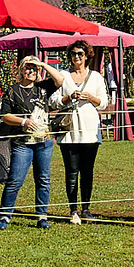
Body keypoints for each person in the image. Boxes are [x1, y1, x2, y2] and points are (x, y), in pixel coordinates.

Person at [0, 57, 61, 229]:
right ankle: (5, 216)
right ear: (21, 70)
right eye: (28, 68)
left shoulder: (43, 87)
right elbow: (4, 116)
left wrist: (43, 64)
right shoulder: (12, 91)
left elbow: (60, 80)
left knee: (43, 179)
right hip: (22, 142)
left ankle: (42, 216)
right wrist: (23, 122)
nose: (31, 72)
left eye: (34, 69)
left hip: (44, 141)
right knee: (15, 179)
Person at [55, 41, 110, 224]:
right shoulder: (63, 76)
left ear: (87, 56)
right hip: (68, 131)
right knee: (71, 171)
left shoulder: (96, 77)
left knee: (87, 171)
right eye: (73, 53)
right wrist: (68, 97)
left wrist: (92, 98)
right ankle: (73, 210)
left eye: (80, 53)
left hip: (90, 131)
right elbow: (53, 100)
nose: (76, 57)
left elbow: (104, 102)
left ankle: (86, 209)